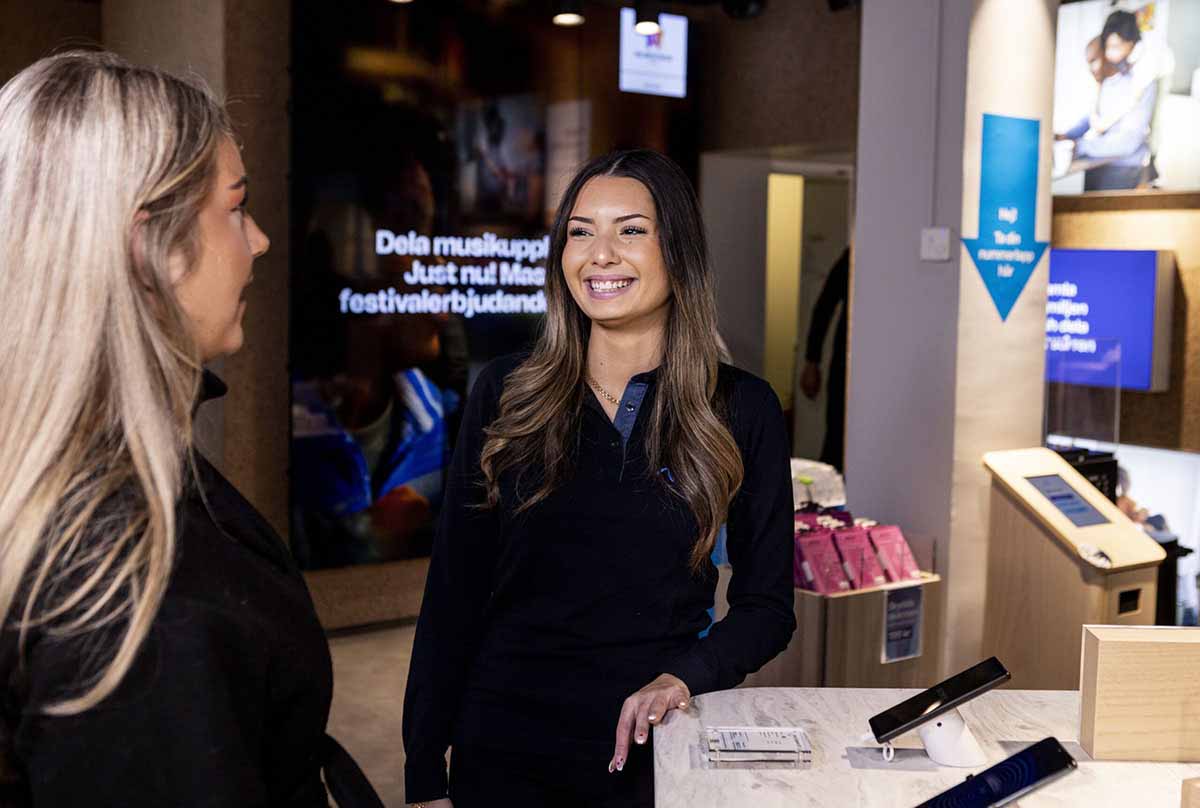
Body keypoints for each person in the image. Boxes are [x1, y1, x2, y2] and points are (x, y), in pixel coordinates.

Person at [0, 52, 378, 807]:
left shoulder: (78, 489)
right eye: (236, 208)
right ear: (154, 247)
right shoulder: (137, 593)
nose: (261, 241)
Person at [402, 149, 797, 807]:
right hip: (504, 745)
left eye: (631, 230)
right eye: (581, 230)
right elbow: (453, 593)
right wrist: (423, 770)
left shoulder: (740, 407)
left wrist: (685, 675)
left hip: (653, 747)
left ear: (679, 249)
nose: (600, 253)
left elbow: (767, 606)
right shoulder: (505, 391)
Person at [1057, 11, 1159, 191]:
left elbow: (1127, 142)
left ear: (1133, 45)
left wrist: (1081, 146)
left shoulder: (1144, 81)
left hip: (1123, 168)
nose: (1111, 53)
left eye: (1118, 46)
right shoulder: (1108, 78)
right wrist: (1066, 136)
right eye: (1109, 46)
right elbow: (1094, 117)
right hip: (1097, 162)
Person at [799, 247, 849, 470]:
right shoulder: (855, 255)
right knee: (836, 438)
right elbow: (825, 305)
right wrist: (812, 360)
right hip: (844, 363)